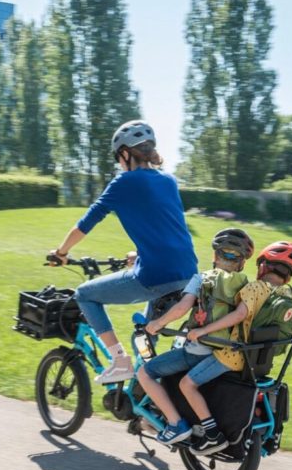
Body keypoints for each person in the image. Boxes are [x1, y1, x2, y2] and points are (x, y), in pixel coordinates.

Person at [50, 120, 198, 384]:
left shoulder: (124, 182)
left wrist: (61, 252)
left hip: (156, 276)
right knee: (145, 338)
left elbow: (87, 222)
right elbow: (166, 227)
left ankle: (119, 361)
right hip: (188, 275)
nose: (119, 163)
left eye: (118, 157)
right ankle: (146, 396)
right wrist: (140, 255)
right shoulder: (168, 180)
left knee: (84, 294)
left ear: (126, 154)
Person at [136, 228, 256, 449]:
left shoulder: (201, 279)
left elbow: (182, 308)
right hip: (224, 354)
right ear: (242, 263)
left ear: (215, 256)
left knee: (145, 372)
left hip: (197, 352)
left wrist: (157, 324)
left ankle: (175, 423)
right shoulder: (246, 285)